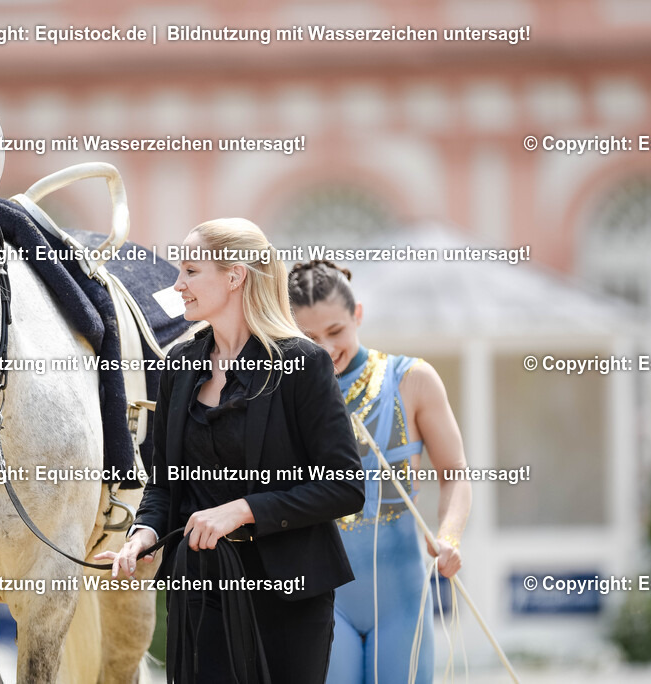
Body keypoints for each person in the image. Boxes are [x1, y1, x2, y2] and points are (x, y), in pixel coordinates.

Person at [96, 219, 365, 683]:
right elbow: (163, 485)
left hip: (289, 592)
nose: (177, 284)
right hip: (200, 587)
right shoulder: (178, 368)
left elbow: (344, 487)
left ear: (235, 275)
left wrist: (241, 511)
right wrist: (141, 535)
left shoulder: (303, 363)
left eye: (191, 271)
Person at [287, 259, 472, 684]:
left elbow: (456, 473)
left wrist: (449, 536)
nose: (327, 349)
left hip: (402, 594)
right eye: (310, 338)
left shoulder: (413, 380)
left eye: (336, 332)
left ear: (358, 315)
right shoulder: (285, 394)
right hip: (323, 592)